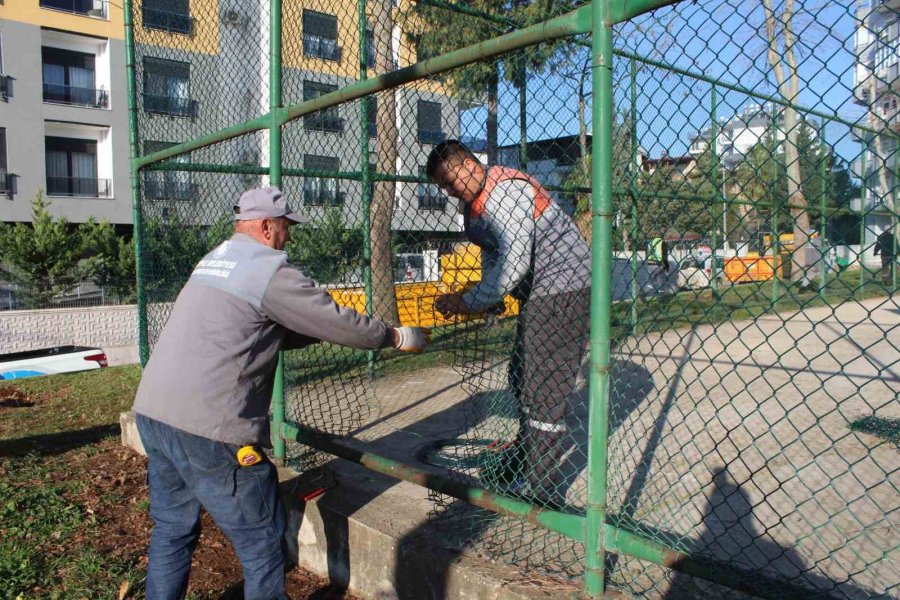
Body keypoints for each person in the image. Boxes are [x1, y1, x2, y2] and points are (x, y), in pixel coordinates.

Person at [132, 187, 430, 600]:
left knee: (171, 529)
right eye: (286, 227)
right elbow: (335, 319)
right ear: (267, 226)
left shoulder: (214, 259)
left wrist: (311, 330)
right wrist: (394, 336)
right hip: (209, 430)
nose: (288, 236)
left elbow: (249, 329)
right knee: (263, 544)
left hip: (153, 413)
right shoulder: (268, 269)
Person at [426, 140, 591, 509]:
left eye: (450, 182)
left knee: (543, 388)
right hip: (539, 291)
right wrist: (489, 297)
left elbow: (514, 261)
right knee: (522, 375)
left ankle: (542, 489)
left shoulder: (505, 191)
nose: (448, 192)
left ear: (469, 164)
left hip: (563, 286)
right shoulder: (475, 205)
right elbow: (493, 253)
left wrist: (470, 300)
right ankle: (527, 462)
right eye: (442, 187)